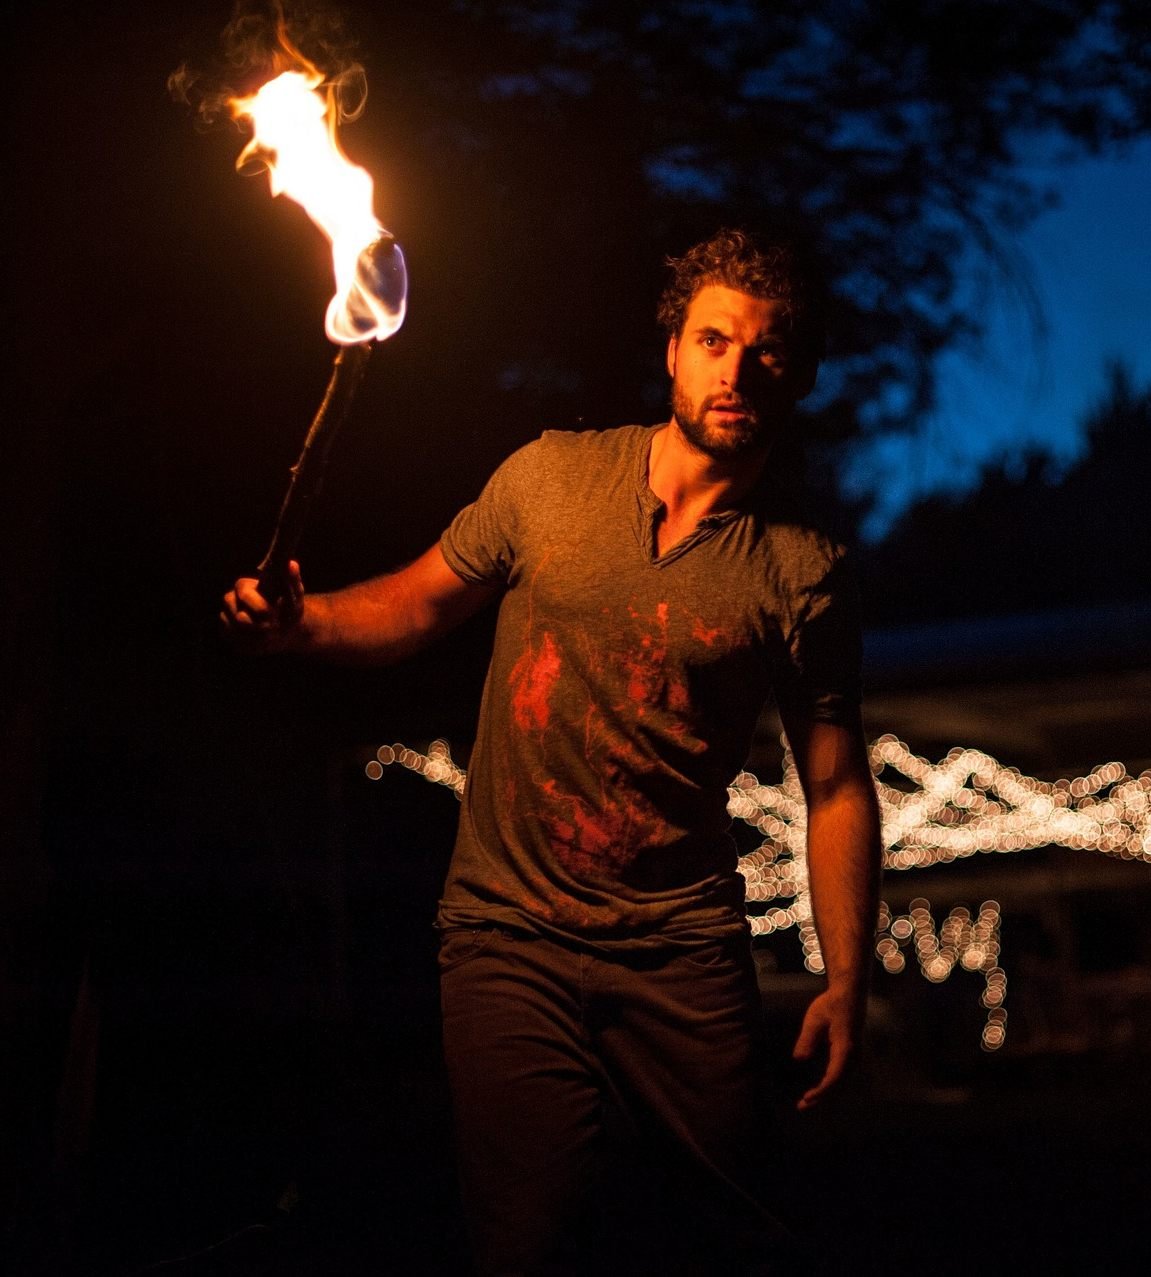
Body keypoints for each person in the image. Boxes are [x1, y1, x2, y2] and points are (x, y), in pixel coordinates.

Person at [222, 229, 882, 1273]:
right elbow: (417, 602)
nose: (735, 368)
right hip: (508, 933)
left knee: (735, 1225)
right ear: (670, 348)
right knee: (530, 1237)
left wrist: (849, 979)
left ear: (795, 373)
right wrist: (299, 626)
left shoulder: (801, 569)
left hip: (679, 944)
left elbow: (837, 784)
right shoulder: (549, 477)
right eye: (713, 339)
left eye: (764, 351)